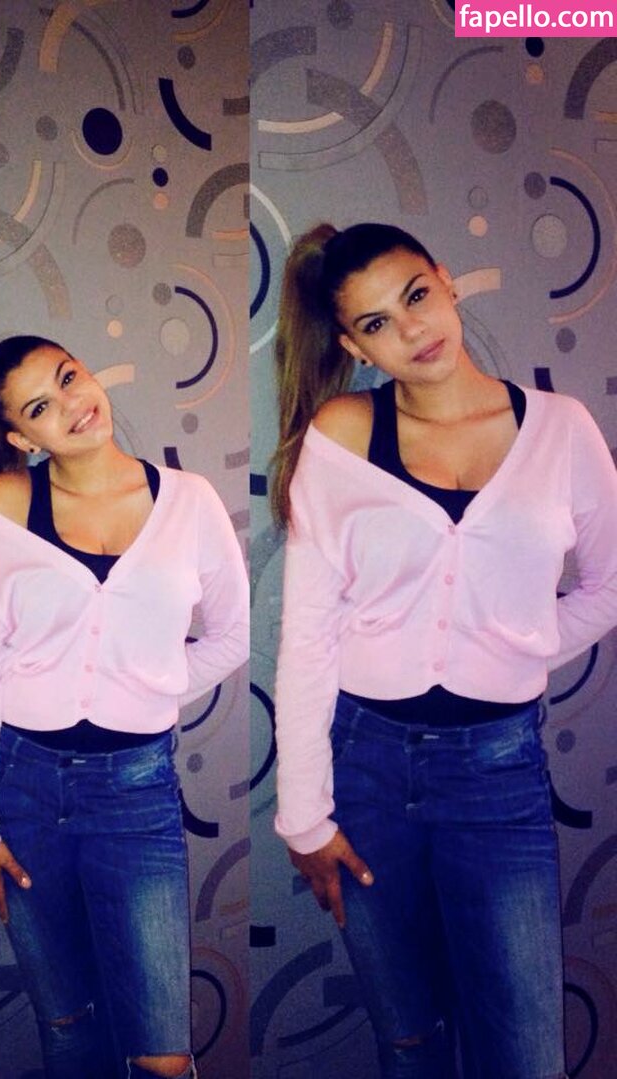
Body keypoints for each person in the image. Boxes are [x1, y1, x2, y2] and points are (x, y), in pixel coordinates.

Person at [270, 221, 617, 1078]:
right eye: (377, 323)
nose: (412, 328)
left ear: (448, 282)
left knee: (526, 1054)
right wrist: (303, 814)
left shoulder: (561, 429)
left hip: (497, 776)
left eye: (416, 295)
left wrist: (523, 647)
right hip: (366, 770)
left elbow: (609, 584)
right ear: (356, 347)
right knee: (410, 1041)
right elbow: (308, 633)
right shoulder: (342, 434)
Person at [0, 336, 249, 1079]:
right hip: (23, 789)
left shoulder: (189, 501)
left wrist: (150, 685)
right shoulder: (5, 506)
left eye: (69, 377)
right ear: (22, 438)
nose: (72, 405)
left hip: (135, 795)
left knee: (163, 1052)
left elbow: (233, 634)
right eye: (41, 407)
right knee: (69, 1027)